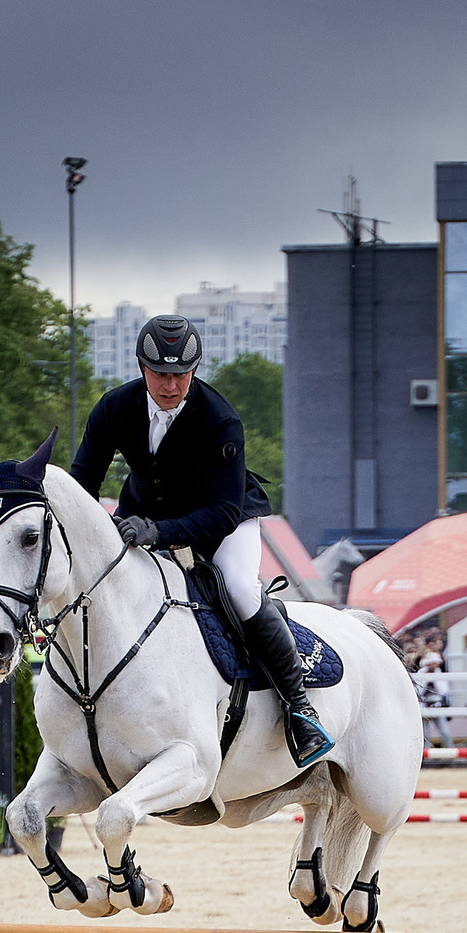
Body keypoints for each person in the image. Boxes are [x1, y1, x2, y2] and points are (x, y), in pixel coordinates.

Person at [63, 314, 330, 768]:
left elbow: (222, 512)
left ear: (194, 370)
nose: (170, 385)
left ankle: (299, 709)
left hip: (224, 515)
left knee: (241, 588)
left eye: (180, 374)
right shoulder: (114, 407)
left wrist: (160, 532)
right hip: (146, 511)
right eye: (160, 374)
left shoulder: (219, 418)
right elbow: (81, 483)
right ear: (142, 368)